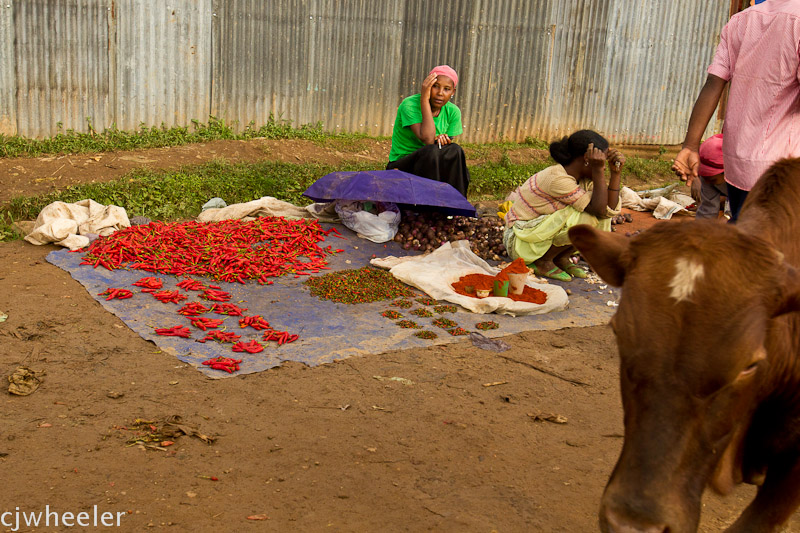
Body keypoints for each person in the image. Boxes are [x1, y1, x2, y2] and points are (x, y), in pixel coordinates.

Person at [671, 0, 800, 222]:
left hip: (736, 163)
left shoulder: (741, 20)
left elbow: (713, 82)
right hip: (783, 170)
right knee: (779, 247)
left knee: (745, 233)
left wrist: (690, 145)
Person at [502, 130, 624, 282]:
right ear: (587, 159)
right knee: (587, 218)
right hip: (521, 242)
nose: (604, 166)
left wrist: (616, 173)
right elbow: (598, 210)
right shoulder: (557, 179)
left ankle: (561, 257)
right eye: (602, 161)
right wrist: (598, 170)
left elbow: (606, 210)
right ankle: (543, 261)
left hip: (537, 237)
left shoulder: (583, 177)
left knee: (601, 217)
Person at [387, 65, 470, 198]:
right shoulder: (409, 105)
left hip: (433, 163)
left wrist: (443, 139)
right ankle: (430, 208)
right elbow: (427, 139)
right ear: (427, 87)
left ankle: (457, 207)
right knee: (430, 151)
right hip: (402, 165)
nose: (440, 93)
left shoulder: (453, 111)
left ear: (453, 92)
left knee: (456, 150)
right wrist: (424, 100)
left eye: (446, 89)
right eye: (435, 86)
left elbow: (444, 148)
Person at [694, 133, 729, 220]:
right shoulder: (708, 178)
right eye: (704, 176)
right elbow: (707, 210)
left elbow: (742, 205)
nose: (707, 182)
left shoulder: (744, 180)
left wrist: (728, 217)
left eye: (712, 179)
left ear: (726, 172)